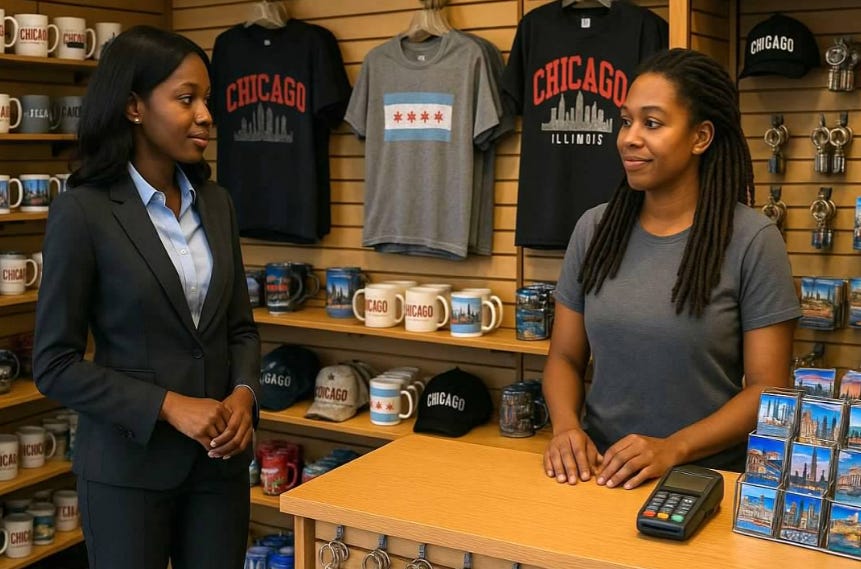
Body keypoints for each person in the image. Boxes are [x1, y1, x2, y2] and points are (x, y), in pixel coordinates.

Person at [33, 26, 261, 568]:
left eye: (207, 99)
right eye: (187, 99)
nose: (206, 114)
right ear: (134, 107)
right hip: (125, 473)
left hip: (219, 471)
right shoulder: (82, 212)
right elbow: (55, 364)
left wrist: (246, 395)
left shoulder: (217, 203)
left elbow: (240, 329)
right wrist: (168, 406)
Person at [542, 48, 800, 490]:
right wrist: (566, 428)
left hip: (702, 481)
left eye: (652, 123)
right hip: (597, 475)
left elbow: (767, 390)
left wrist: (672, 448)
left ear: (700, 137)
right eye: (626, 121)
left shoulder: (752, 240)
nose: (629, 137)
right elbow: (564, 357)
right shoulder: (595, 229)